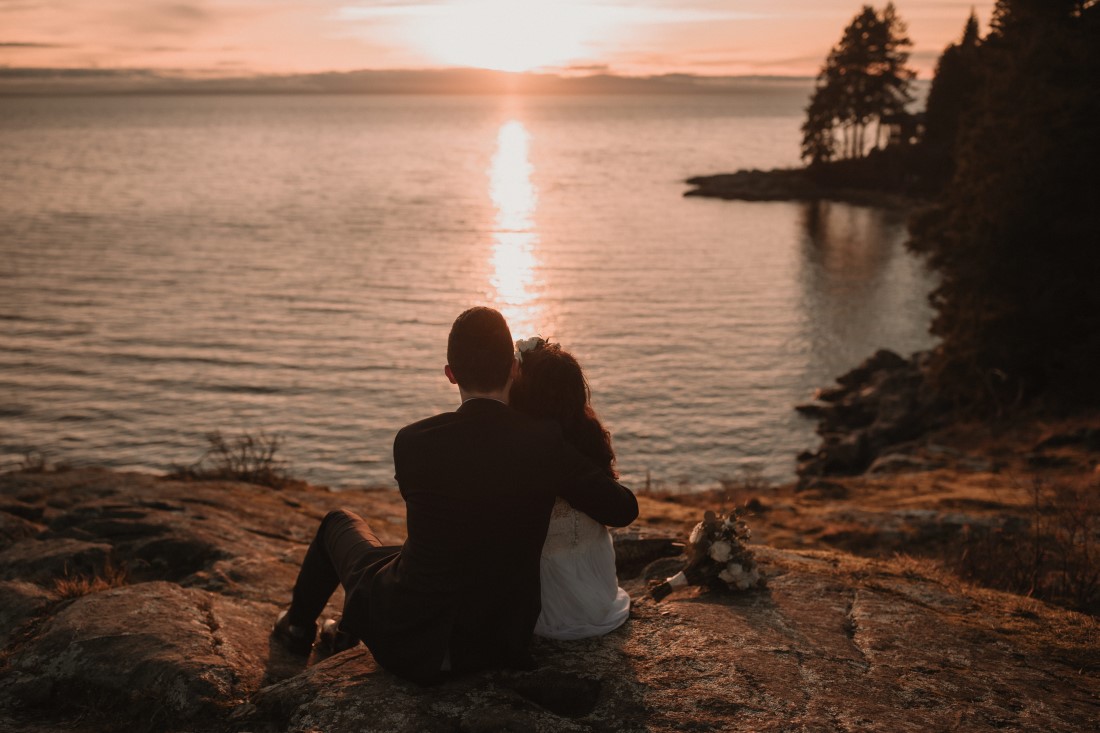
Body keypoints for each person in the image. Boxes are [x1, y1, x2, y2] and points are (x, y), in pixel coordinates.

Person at [271, 306, 638, 685]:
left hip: (408, 645)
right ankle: (345, 626)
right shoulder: (545, 443)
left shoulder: (412, 441)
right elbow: (623, 509)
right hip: (498, 645)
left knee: (340, 524)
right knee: (403, 562)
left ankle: (297, 628)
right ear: (513, 369)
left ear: (450, 374)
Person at [509, 337, 631, 640]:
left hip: (542, 606)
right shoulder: (585, 444)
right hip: (597, 598)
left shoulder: (521, 449)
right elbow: (623, 509)